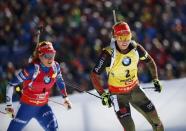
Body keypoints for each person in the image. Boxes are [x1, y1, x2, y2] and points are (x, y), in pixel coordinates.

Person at [90, 21, 164, 131]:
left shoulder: (136, 48)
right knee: (130, 128)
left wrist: (155, 79)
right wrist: (102, 94)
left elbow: (149, 61)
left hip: (135, 90)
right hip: (118, 95)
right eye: (121, 37)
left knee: (156, 121)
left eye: (127, 36)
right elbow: (94, 75)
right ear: (115, 37)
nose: (125, 41)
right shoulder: (108, 54)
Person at [5, 41, 72, 131]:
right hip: (26, 108)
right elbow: (11, 84)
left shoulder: (55, 67)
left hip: (43, 108)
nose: (50, 59)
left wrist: (65, 98)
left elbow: (60, 81)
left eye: (52, 55)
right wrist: (9, 106)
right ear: (40, 56)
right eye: (47, 56)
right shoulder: (32, 69)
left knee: (54, 128)